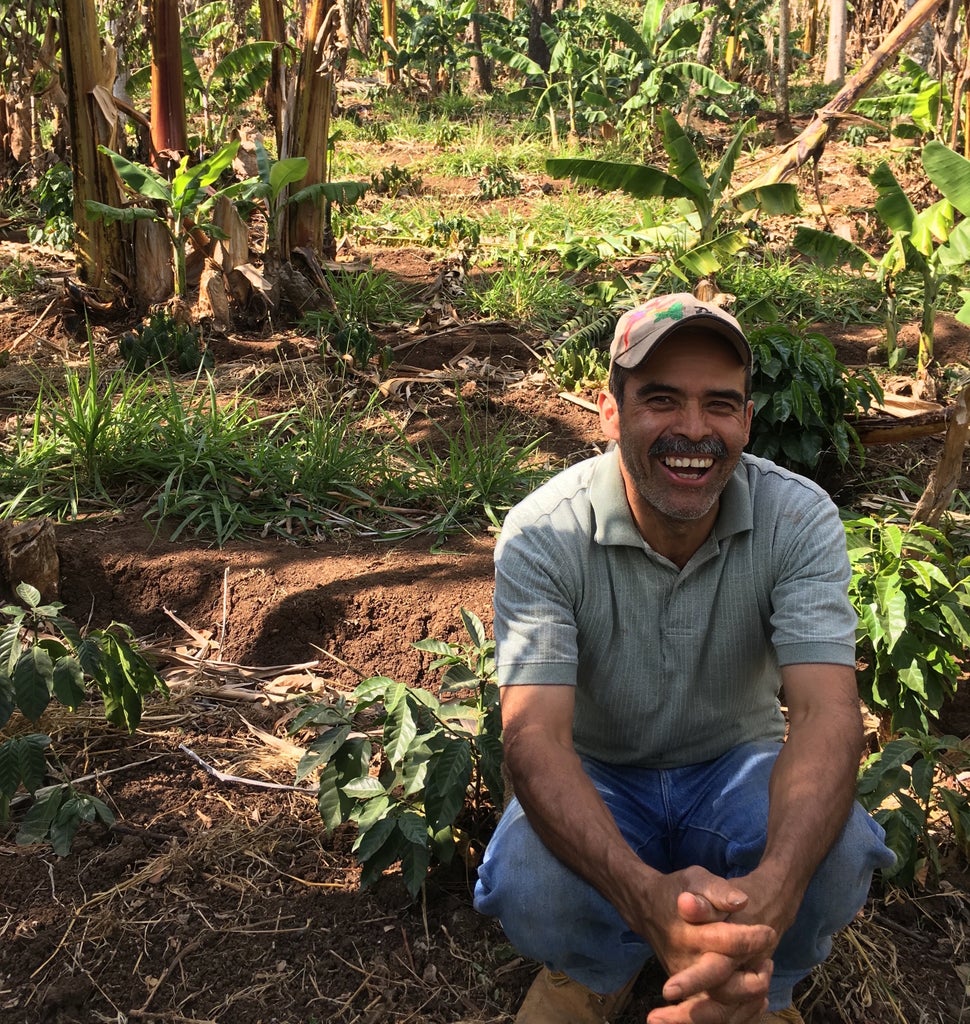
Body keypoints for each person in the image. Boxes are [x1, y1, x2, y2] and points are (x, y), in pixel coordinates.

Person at [473, 293, 895, 1024]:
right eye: (661, 400)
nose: (694, 431)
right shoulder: (545, 533)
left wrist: (776, 890)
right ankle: (598, 969)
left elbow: (828, 712)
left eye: (720, 405)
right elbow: (534, 737)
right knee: (528, 878)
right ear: (610, 413)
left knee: (839, 851)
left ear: (747, 422)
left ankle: (753, 981)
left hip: (736, 770)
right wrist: (643, 896)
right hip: (602, 774)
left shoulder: (796, 519)